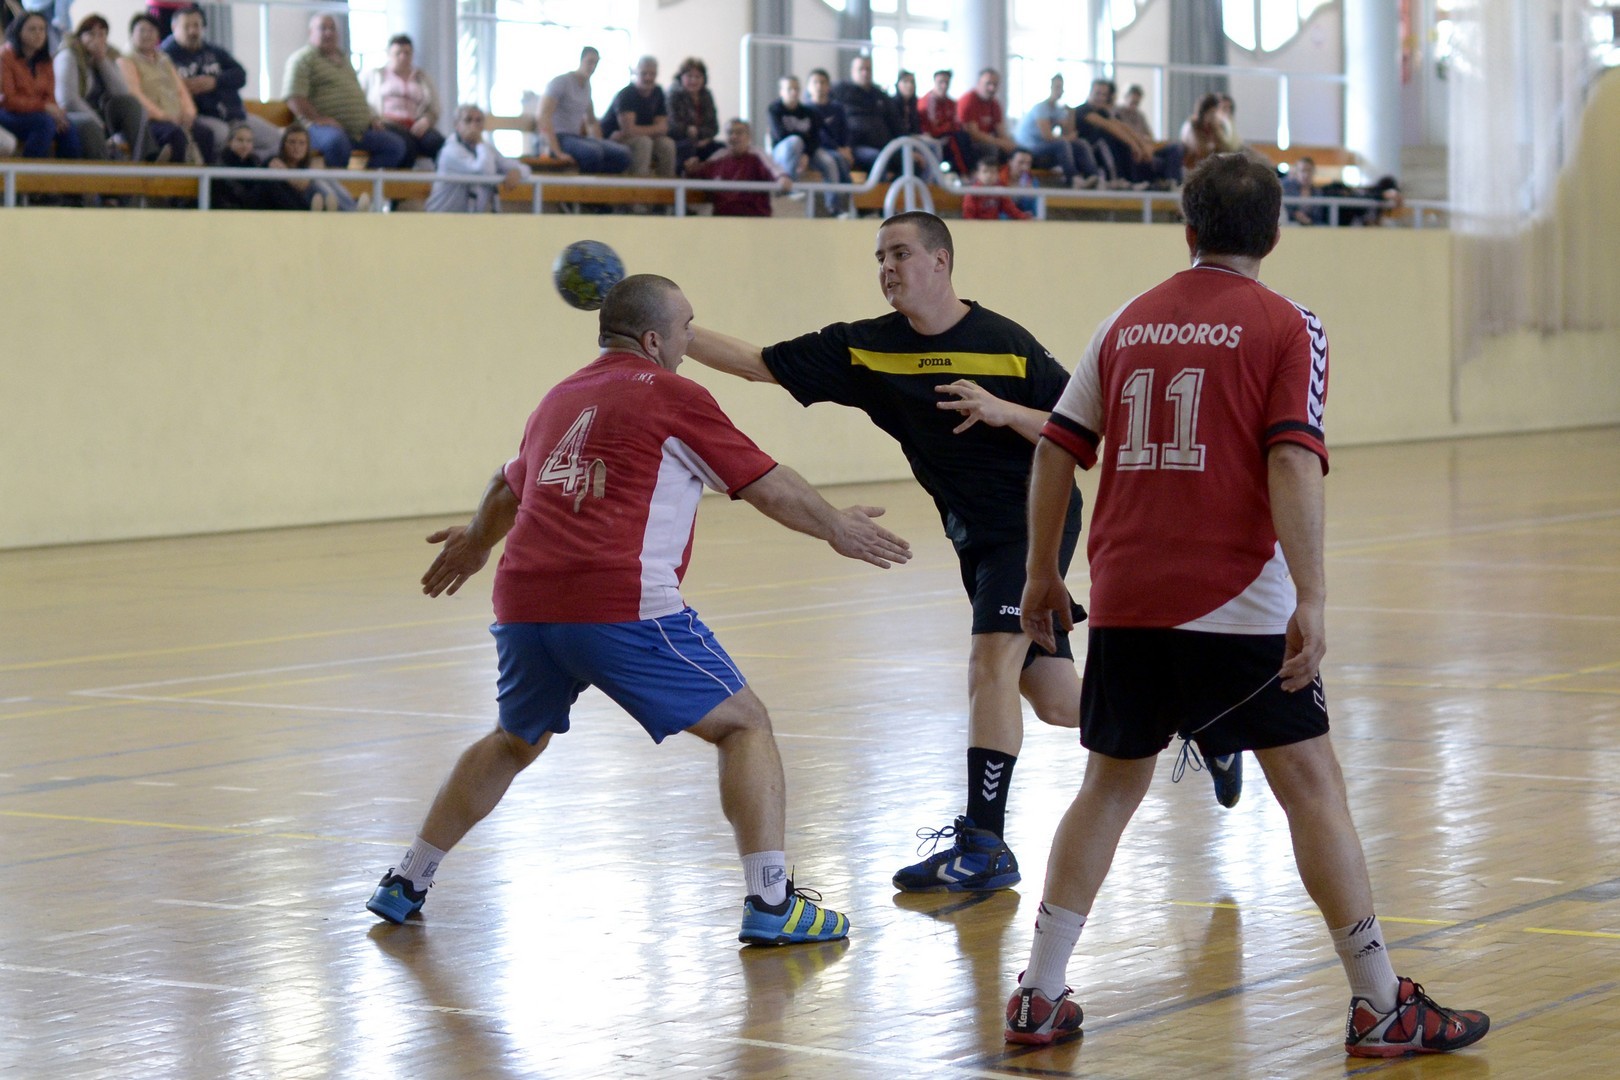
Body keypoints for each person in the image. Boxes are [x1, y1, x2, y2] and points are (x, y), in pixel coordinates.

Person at [1000, 153, 1490, 1059]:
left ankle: (1038, 992)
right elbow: (1292, 456)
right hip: (1237, 602)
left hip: (1126, 594)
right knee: (1311, 786)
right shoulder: (1290, 325)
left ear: (1187, 229)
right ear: (1276, 232)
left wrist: (1039, 573)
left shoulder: (1124, 322)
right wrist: (1314, 594)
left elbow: (1056, 447)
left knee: (1108, 786)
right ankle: (1380, 1002)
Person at [364, 274, 911, 947]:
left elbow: (506, 486)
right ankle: (771, 902)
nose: (690, 340)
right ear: (654, 339)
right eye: (686, 327)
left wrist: (477, 542)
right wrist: (836, 527)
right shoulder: (675, 396)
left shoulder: (559, 396)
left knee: (513, 740)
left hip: (524, 603)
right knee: (745, 726)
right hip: (619, 605)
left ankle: (407, 879)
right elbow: (765, 484)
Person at [685, 212, 1087, 893]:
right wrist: (677, 332)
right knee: (1055, 700)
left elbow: (1081, 433)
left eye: (899, 253)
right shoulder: (868, 348)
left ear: (940, 261)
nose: (887, 268)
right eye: (879, 258)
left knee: (989, 664)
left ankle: (985, 845)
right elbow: (759, 365)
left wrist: (1006, 411)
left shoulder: (1007, 345)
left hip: (1031, 521)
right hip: (975, 536)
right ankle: (1201, 718)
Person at [281, 13, 406, 170]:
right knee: (337, 142)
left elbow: (356, 94)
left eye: (332, 28)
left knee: (395, 146)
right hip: (316, 128)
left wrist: (371, 118)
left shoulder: (344, 60)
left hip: (357, 131)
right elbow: (294, 97)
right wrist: (318, 119)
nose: (329, 32)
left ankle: (362, 184)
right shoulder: (302, 59)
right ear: (310, 32)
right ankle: (336, 186)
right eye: (323, 28)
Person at [163, 4, 280, 162]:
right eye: (187, 26)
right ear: (174, 27)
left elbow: (240, 75)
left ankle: (249, 165)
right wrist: (185, 88)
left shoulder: (214, 51)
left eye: (196, 25)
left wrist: (215, 81)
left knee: (274, 138)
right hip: (202, 116)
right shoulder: (165, 57)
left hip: (234, 114)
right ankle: (223, 174)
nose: (192, 31)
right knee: (222, 135)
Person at [119, 11, 207, 162]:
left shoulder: (164, 60)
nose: (147, 35)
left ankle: (204, 177)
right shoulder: (125, 61)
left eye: (151, 31)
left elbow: (180, 89)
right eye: (142, 30)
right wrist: (164, 116)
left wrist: (189, 113)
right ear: (132, 34)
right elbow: (135, 94)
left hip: (175, 116)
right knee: (175, 135)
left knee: (205, 134)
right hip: (149, 120)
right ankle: (174, 176)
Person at [53, 13, 142, 161]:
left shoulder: (109, 55)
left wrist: (102, 61)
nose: (97, 39)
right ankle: (104, 169)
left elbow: (122, 92)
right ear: (80, 36)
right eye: (91, 34)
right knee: (90, 125)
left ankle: (143, 159)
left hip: (102, 115)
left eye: (102, 34)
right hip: (74, 115)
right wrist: (95, 120)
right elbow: (67, 100)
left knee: (130, 104)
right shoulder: (69, 55)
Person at [0, 10, 83, 159]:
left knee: (68, 127)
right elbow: (8, 100)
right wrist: (44, 107)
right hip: (8, 112)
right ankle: (28, 171)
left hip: (36, 112)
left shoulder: (46, 60)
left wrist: (56, 114)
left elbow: (50, 95)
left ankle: (67, 173)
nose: (38, 34)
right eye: (32, 29)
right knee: (44, 124)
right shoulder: (5, 56)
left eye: (42, 29)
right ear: (19, 32)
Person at [536, 45, 628, 175]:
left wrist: (600, 142)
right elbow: (543, 116)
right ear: (581, 60)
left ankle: (598, 182)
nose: (592, 67)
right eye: (590, 62)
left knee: (623, 154)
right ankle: (585, 184)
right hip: (557, 137)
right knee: (592, 153)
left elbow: (591, 121)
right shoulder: (560, 82)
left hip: (575, 138)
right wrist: (558, 153)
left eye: (596, 63)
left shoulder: (587, 87)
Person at [426, 103, 529, 214]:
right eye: (468, 120)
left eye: (478, 120)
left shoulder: (487, 148)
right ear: (456, 125)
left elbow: (525, 168)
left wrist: (518, 172)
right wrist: (480, 142)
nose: (473, 125)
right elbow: (484, 172)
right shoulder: (450, 151)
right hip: (440, 218)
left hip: (468, 219)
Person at [360, 32, 443, 169]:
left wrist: (426, 120)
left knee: (437, 143)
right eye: (398, 53)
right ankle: (399, 182)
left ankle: (441, 180)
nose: (403, 57)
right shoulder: (373, 75)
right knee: (407, 146)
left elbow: (434, 106)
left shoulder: (422, 78)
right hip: (386, 123)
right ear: (389, 54)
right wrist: (372, 118)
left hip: (416, 124)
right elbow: (361, 101)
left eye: (407, 53)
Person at [685, 117, 789, 217]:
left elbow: (775, 171)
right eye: (730, 133)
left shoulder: (757, 155)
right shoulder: (718, 157)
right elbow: (698, 173)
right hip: (722, 220)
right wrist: (691, 169)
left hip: (755, 220)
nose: (734, 136)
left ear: (749, 137)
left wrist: (782, 178)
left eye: (739, 132)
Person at [1013, 73, 1101, 189]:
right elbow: (1048, 137)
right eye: (1057, 87)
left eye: (1062, 87)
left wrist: (1071, 113)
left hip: (1045, 148)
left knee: (1080, 143)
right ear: (1050, 88)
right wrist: (1068, 138)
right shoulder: (1041, 108)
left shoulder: (1058, 110)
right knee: (1062, 144)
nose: (1060, 91)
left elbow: (1068, 133)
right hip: (1030, 149)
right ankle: (1073, 178)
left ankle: (1093, 176)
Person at [603, 54, 676, 181]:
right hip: (614, 140)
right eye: (644, 73)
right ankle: (638, 189)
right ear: (636, 73)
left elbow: (663, 129)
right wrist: (654, 129)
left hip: (637, 137)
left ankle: (667, 189)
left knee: (667, 144)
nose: (648, 77)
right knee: (643, 143)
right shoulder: (626, 94)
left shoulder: (658, 92)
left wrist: (641, 130)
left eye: (652, 74)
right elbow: (629, 131)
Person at [1074, 78, 1156, 186]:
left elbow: (1121, 126)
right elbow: (1108, 125)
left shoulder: (1102, 112)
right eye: (1098, 93)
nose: (1101, 98)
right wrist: (1134, 146)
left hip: (1102, 147)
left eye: (1104, 95)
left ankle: (1134, 181)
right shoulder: (1082, 110)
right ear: (1090, 92)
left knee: (1123, 141)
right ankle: (1114, 179)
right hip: (1089, 149)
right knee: (1108, 139)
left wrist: (1142, 146)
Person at [269, 121, 364, 211]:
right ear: (283, 144)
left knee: (327, 177)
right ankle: (349, 210)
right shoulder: (276, 161)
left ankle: (353, 208)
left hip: (313, 198)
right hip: (294, 203)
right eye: (292, 142)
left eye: (302, 143)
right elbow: (302, 185)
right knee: (315, 180)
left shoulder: (306, 164)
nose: (297, 147)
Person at [212, 120, 304, 211]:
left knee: (273, 171)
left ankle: (304, 210)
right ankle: (301, 212)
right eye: (240, 140)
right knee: (270, 182)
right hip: (237, 207)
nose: (245, 145)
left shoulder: (253, 161)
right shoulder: (222, 163)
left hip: (254, 203)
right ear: (229, 142)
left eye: (249, 141)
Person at [831, 54, 896, 178]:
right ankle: (880, 190)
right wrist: (841, 146)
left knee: (912, 159)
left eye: (868, 69)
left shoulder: (880, 95)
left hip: (884, 145)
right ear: (852, 71)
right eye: (861, 69)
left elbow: (894, 122)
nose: (865, 73)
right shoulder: (840, 90)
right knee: (878, 158)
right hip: (855, 146)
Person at [918, 69, 973, 177]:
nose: (944, 86)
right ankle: (964, 173)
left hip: (947, 135)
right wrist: (948, 127)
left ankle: (967, 172)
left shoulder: (950, 103)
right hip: (932, 137)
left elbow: (956, 123)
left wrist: (950, 127)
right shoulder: (927, 102)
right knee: (956, 140)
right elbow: (931, 127)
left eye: (946, 83)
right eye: (941, 82)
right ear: (934, 82)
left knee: (964, 136)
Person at [666, 55, 720, 165]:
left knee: (722, 150)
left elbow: (714, 127)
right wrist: (691, 135)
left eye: (698, 76)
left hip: (704, 141)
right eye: (689, 76)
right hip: (679, 141)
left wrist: (704, 138)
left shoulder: (706, 95)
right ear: (681, 77)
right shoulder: (673, 95)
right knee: (687, 149)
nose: (693, 80)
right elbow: (673, 125)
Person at [956, 67, 1017, 164]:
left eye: (995, 84)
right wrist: (1001, 143)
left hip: (989, 139)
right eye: (988, 84)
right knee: (991, 149)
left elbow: (1000, 131)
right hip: (970, 144)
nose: (992, 88)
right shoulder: (968, 101)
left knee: (1016, 148)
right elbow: (974, 135)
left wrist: (1010, 145)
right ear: (979, 84)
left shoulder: (994, 103)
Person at [962, 156, 1030, 220]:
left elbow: (1010, 209)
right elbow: (968, 216)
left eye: (993, 172)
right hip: (975, 226)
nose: (989, 175)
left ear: (998, 174)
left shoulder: (999, 190)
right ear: (977, 174)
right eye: (985, 171)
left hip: (994, 225)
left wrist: (1024, 217)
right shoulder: (972, 192)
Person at [1179, 92, 1224, 176]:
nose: (1214, 116)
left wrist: (1217, 130)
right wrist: (1211, 146)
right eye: (1212, 112)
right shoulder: (1191, 125)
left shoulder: (1212, 126)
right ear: (1204, 112)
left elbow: (1222, 147)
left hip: (1209, 166)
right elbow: (1200, 150)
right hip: (1192, 167)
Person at [1282, 155, 1326, 226]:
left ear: (1313, 172)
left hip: (1312, 227)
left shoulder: (1318, 192)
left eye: (1309, 171)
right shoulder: (1286, 188)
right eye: (1302, 171)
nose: (1306, 175)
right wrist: (1295, 214)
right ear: (1296, 172)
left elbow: (1319, 216)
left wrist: (1309, 221)